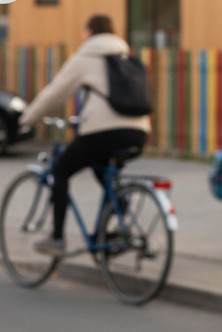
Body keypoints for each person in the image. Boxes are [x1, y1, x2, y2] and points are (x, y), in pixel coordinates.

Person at [18, 14, 150, 256]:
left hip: (102, 133)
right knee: (105, 175)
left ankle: (57, 238)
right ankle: (108, 227)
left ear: (89, 33)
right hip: (138, 133)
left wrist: (28, 118)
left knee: (60, 171)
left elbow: (55, 93)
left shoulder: (86, 57)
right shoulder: (126, 57)